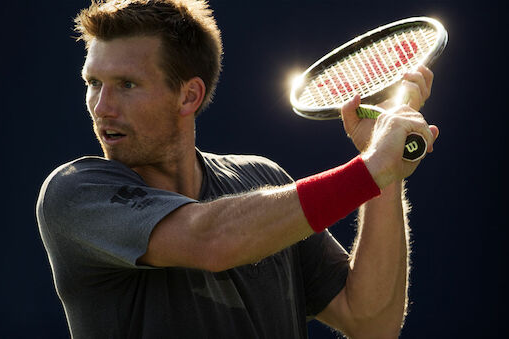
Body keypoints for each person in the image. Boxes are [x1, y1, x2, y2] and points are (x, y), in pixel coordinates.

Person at [36, 0, 439, 338]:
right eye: (93, 83)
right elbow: (212, 240)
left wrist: (385, 172)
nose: (101, 107)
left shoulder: (264, 180)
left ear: (188, 95)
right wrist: (368, 169)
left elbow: (372, 320)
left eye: (126, 85)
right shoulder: (73, 195)